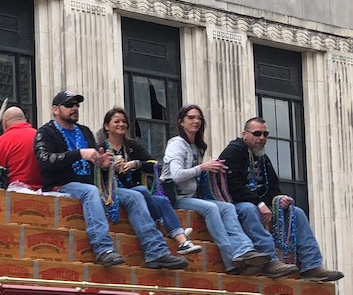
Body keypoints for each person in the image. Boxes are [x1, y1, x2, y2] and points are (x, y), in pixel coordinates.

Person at [34, 90, 187, 269]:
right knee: (90, 191)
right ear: (55, 109)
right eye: (69, 105)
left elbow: (96, 163)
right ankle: (103, 249)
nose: (75, 108)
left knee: (135, 195)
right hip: (61, 185)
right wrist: (79, 154)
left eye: (77, 105)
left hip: (96, 184)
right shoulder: (45, 132)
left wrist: (105, 164)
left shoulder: (84, 131)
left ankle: (156, 252)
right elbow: (44, 161)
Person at [160, 105, 287, 277]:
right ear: (181, 122)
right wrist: (203, 167)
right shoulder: (177, 144)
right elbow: (176, 175)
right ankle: (230, 259)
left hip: (192, 196)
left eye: (199, 118)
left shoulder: (197, 146)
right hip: (175, 197)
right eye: (191, 118)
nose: (196, 121)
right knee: (212, 208)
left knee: (227, 207)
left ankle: (244, 250)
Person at [219, 117, 344, 282]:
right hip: (234, 204)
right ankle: (271, 261)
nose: (262, 138)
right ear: (244, 134)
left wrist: (279, 200)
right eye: (257, 133)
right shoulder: (233, 152)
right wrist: (260, 203)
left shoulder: (263, 158)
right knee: (249, 209)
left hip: (260, 204)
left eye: (265, 134)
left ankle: (312, 265)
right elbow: (233, 186)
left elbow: (273, 187)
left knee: (296, 212)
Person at [97, 107, 200, 255]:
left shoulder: (132, 146)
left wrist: (136, 164)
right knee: (142, 191)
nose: (121, 124)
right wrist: (110, 167)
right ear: (107, 126)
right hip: (112, 191)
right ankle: (165, 226)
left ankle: (183, 242)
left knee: (161, 201)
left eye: (124, 121)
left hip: (135, 189)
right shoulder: (101, 148)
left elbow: (154, 164)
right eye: (117, 121)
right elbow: (95, 173)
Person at [0, 106, 43, 191]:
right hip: (44, 192)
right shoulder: (41, 136)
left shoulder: (3, 141)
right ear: (25, 120)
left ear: (4, 123)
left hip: (16, 193)